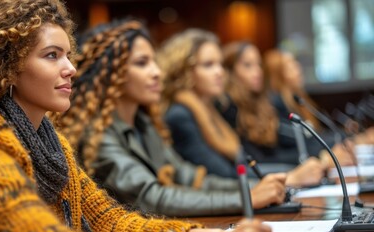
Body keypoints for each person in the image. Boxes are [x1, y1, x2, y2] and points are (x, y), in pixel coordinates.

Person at [0, 1, 272, 232]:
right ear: (9, 67)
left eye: (68, 55)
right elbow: (22, 227)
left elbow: (106, 221)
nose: (71, 69)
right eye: (52, 56)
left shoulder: (51, 142)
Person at [61, 19, 286, 218]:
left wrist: (259, 187)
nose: (157, 71)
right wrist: (247, 197)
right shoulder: (98, 134)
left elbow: (191, 178)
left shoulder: (144, 124)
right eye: (142, 63)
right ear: (111, 73)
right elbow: (151, 198)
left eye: (153, 61)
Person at [159, 29, 325, 187]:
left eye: (220, 64)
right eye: (208, 65)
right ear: (184, 71)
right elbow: (223, 175)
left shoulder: (209, 109)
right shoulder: (180, 115)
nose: (219, 72)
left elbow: (243, 167)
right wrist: (290, 177)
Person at [219, 42, 331, 173]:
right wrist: (316, 158)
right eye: (248, 65)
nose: (258, 72)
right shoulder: (229, 108)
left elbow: (277, 151)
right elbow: (255, 161)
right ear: (230, 71)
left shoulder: (261, 105)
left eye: (258, 65)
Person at [263, 49, 356, 166]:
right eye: (290, 66)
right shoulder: (277, 105)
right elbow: (305, 145)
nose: (298, 68)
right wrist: (325, 155)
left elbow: (316, 137)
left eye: (296, 63)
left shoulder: (298, 101)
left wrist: (347, 136)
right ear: (277, 74)